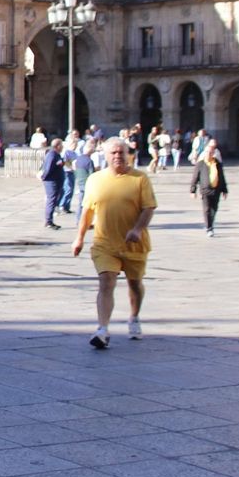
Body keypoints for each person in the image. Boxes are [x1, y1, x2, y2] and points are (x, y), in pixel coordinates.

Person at [72, 138, 157, 349]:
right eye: (113, 153)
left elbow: (148, 208)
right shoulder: (95, 179)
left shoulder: (140, 178)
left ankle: (134, 316)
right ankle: (102, 329)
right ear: (106, 156)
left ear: (128, 154)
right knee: (106, 281)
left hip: (134, 244)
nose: (118, 156)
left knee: (134, 284)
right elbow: (87, 211)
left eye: (121, 153)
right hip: (104, 242)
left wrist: (137, 229)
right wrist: (80, 237)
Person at [188, 138, 228, 236]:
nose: (209, 154)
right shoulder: (200, 164)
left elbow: (222, 176)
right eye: (208, 152)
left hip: (216, 190)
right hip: (205, 190)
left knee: (214, 208)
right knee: (207, 209)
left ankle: (210, 223)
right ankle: (209, 228)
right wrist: (193, 190)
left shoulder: (217, 163)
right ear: (205, 152)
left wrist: (224, 190)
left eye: (211, 152)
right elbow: (195, 177)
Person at [39, 138, 67, 230]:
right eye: (61, 145)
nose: (62, 147)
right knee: (51, 200)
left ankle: (49, 220)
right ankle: (48, 221)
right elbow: (48, 167)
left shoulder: (56, 154)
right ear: (57, 146)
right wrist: (44, 177)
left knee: (53, 200)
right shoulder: (52, 154)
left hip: (56, 180)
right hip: (52, 181)